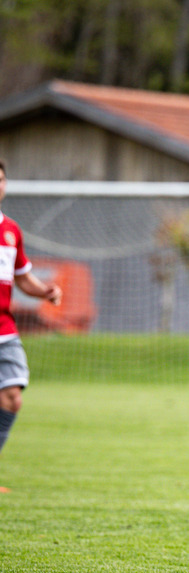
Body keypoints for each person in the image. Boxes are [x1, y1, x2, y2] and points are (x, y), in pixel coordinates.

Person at [0, 159, 64, 492]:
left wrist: (46, 292)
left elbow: (23, 279)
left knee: (12, 397)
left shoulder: (11, 230)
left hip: (4, 329)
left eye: (0, 179)